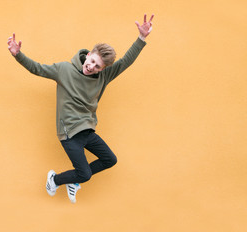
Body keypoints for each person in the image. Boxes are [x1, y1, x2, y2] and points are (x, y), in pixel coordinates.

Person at [8, 14, 154, 203]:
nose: (91, 66)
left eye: (97, 66)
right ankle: (55, 179)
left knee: (110, 160)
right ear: (88, 54)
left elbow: (125, 61)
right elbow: (37, 68)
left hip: (87, 130)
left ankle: (74, 181)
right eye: (91, 60)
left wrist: (141, 38)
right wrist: (17, 55)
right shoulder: (64, 70)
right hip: (69, 132)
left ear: (103, 69)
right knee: (84, 174)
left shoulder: (104, 77)